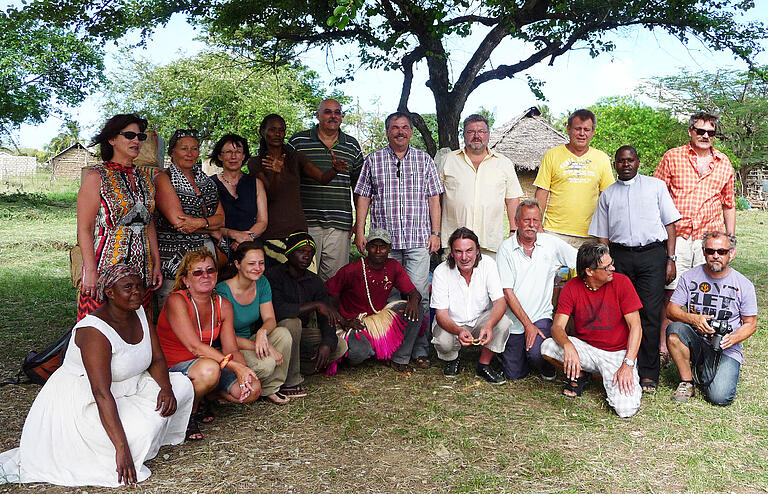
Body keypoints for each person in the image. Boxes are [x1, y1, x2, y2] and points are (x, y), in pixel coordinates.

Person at [0, 264, 194, 487]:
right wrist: (121, 449)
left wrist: (166, 389)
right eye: (128, 287)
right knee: (139, 430)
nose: (137, 292)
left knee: (182, 386)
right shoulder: (94, 331)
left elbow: (157, 358)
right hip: (84, 403)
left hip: (129, 387)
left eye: (139, 286)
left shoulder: (139, 311)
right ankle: (121, 445)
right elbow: (101, 393)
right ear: (110, 293)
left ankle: (144, 441)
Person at [354, 112, 444, 367]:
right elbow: (363, 197)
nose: (400, 131)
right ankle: (392, 346)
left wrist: (435, 233)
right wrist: (360, 231)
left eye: (405, 127)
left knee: (419, 297)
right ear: (387, 132)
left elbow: (434, 198)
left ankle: (419, 349)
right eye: (395, 128)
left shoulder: (424, 160)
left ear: (411, 132)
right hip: (385, 245)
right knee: (391, 297)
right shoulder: (373, 160)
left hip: (417, 240)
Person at [589, 146, 681, 392]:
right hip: (620, 257)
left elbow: (671, 225)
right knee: (621, 313)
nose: (626, 164)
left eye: (630, 160)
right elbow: (602, 237)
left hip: (653, 256)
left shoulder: (656, 187)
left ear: (638, 162)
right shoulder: (608, 195)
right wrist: (606, 263)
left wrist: (670, 258)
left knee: (650, 313)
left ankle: (649, 373)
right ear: (615, 165)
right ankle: (623, 365)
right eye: (621, 161)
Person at [654, 112, 736, 359]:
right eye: (700, 131)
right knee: (670, 291)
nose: (705, 136)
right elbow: (656, 196)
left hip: (708, 239)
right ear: (690, 131)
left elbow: (729, 204)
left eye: (710, 133)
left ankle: (698, 347)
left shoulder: (724, 163)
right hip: (676, 237)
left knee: (705, 292)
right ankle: (662, 347)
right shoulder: (672, 157)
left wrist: (730, 242)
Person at [156, 248, 259, 440]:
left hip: (206, 364)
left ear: (216, 275)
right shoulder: (176, 301)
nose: (205, 275)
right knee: (210, 370)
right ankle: (188, 416)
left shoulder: (223, 304)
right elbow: (194, 347)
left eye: (210, 270)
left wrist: (243, 372)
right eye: (197, 272)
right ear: (186, 280)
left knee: (253, 389)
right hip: (174, 367)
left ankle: (206, 396)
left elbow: (231, 349)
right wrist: (235, 366)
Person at [541, 243, 643, 418]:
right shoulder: (572, 287)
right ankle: (581, 373)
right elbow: (557, 327)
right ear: (589, 271)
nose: (613, 268)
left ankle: (602, 376)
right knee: (547, 347)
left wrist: (628, 364)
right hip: (586, 349)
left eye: (611, 263)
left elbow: (636, 327)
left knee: (626, 410)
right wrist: (568, 345)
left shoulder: (622, 282)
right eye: (607, 267)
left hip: (617, 354)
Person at [76, 113, 162, 320]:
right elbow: (85, 228)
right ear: (112, 139)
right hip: (107, 266)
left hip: (141, 266)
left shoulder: (145, 178)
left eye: (140, 137)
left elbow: (148, 223)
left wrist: (156, 263)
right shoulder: (97, 176)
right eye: (130, 135)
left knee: (137, 326)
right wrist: (90, 270)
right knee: (99, 327)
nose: (136, 141)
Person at [666, 232, 757, 405]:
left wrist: (733, 338)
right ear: (704, 252)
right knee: (674, 330)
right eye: (710, 251)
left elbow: (751, 324)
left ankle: (704, 368)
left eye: (722, 251)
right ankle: (687, 382)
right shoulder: (689, 277)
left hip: (725, 346)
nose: (716, 256)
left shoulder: (743, 284)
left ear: (732, 253)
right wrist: (694, 319)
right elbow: (671, 310)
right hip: (696, 339)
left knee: (719, 397)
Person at [247, 113, 348, 267]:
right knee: (278, 284)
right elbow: (271, 196)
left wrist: (335, 169)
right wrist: (276, 174)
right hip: (273, 232)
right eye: (272, 129)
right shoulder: (255, 162)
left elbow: (322, 178)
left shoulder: (296, 158)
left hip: (298, 230)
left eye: (281, 130)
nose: (277, 134)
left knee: (305, 281)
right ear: (262, 131)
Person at [496, 199, 576, 380]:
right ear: (516, 222)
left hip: (541, 317)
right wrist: (527, 326)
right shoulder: (506, 249)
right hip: (514, 323)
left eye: (536, 221)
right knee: (514, 375)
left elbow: (580, 259)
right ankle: (512, 354)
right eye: (526, 220)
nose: (531, 225)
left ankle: (546, 366)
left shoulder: (551, 244)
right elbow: (507, 292)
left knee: (536, 353)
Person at [288, 99, 364, 280]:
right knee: (303, 277)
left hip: (339, 224)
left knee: (334, 281)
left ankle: (329, 310)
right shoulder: (299, 141)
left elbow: (359, 187)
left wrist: (359, 225)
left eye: (337, 112)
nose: (333, 116)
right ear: (318, 115)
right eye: (328, 112)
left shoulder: (351, 145)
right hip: (305, 223)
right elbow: (287, 181)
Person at [265, 231, 349, 397]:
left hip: (300, 336)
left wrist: (327, 343)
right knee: (292, 322)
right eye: (301, 251)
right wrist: (315, 305)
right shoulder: (274, 275)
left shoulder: (314, 281)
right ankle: (291, 381)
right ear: (290, 253)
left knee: (340, 346)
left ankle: (295, 367)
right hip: (275, 334)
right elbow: (278, 309)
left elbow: (327, 317)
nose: (306, 256)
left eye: (310, 253)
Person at [326, 228, 422, 372]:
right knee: (361, 352)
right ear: (366, 247)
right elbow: (329, 295)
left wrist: (414, 301)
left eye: (383, 247)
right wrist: (343, 321)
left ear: (389, 249)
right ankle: (362, 349)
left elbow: (414, 293)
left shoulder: (393, 266)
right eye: (373, 246)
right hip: (353, 323)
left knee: (416, 310)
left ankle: (399, 359)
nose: (378, 251)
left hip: (378, 319)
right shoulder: (352, 270)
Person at [431, 227, 511, 384]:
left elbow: (500, 302)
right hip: (452, 323)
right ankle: (452, 358)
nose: (464, 257)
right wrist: (459, 330)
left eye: (469, 250)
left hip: (479, 320)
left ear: (478, 251)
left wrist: (488, 325)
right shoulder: (441, 271)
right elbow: (440, 315)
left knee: (503, 323)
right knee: (443, 342)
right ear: (452, 253)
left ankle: (484, 364)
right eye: (458, 251)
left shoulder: (488, 264)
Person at [155, 129, 225, 308]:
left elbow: (221, 219)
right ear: (172, 152)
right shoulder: (164, 179)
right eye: (183, 148)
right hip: (175, 260)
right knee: (174, 311)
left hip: (204, 258)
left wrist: (199, 223)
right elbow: (180, 223)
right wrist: (211, 226)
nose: (190, 153)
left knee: (202, 309)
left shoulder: (206, 181)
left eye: (194, 149)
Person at [216, 242, 292, 405]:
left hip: (250, 340)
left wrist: (262, 332)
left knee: (284, 334)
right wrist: (268, 347)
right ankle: (227, 391)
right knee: (267, 364)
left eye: (261, 263)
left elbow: (270, 319)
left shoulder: (262, 282)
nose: (257, 267)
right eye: (251, 263)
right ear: (237, 264)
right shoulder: (223, 290)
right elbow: (225, 339)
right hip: (229, 348)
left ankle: (270, 388)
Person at [439, 113, 523, 258]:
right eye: (471, 131)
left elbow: (512, 200)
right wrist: (435, 233)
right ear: (463, 134)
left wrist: (513, 231)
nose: (476, 136)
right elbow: (435, 199)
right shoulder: (447, 161)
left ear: (488, 135)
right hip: (455, 243)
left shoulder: (504, 163)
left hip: (490, 243)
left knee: (488, 281)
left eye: (481, 132)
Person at [533, 109, 614, 248]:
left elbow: (608, 197)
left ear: (592, 132)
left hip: (591, 234)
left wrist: (607, 232)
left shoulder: (602, 158)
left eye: (587, 129)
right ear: (569, 129)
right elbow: (541, 193)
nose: (582, 133)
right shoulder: (552, 155)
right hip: (555, 232)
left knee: (588, 271)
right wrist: (538, 225)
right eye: (578, 129)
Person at [209, 133, 268, 250]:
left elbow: (263, 221)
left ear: (243, 156)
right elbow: (208, 224)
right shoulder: (210, 184)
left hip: (251, 246)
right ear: (220, 156)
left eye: (238, 152)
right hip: (220, 247)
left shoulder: (256, 183)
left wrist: (246, 240)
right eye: (228, 152)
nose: (233, 157)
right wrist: (235, 235)